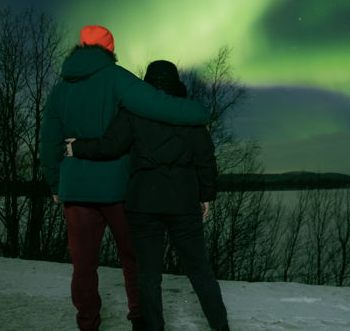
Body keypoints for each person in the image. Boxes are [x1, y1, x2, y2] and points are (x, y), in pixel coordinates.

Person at [40, 27, 210, 331]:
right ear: (110, 49)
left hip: (75, 189)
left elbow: (49, 139)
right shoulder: (117, 78)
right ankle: (140, 319)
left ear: (81, 47)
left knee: (83, 267)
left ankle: (87, 323)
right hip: (119, 188)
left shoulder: (60, 88)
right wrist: (199, 112)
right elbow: (160, 105)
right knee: (134, 259)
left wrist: (55, 183)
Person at [67, 60, 230, 331]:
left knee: (148, 274)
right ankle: (221, 328)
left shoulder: (133, 112)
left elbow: (109, 146)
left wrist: (77, 148)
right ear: (176, 84)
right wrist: (206, 196)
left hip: (144, 202)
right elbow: (205, 161)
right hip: (183, 201)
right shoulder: (190, 116)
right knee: (200, 271)